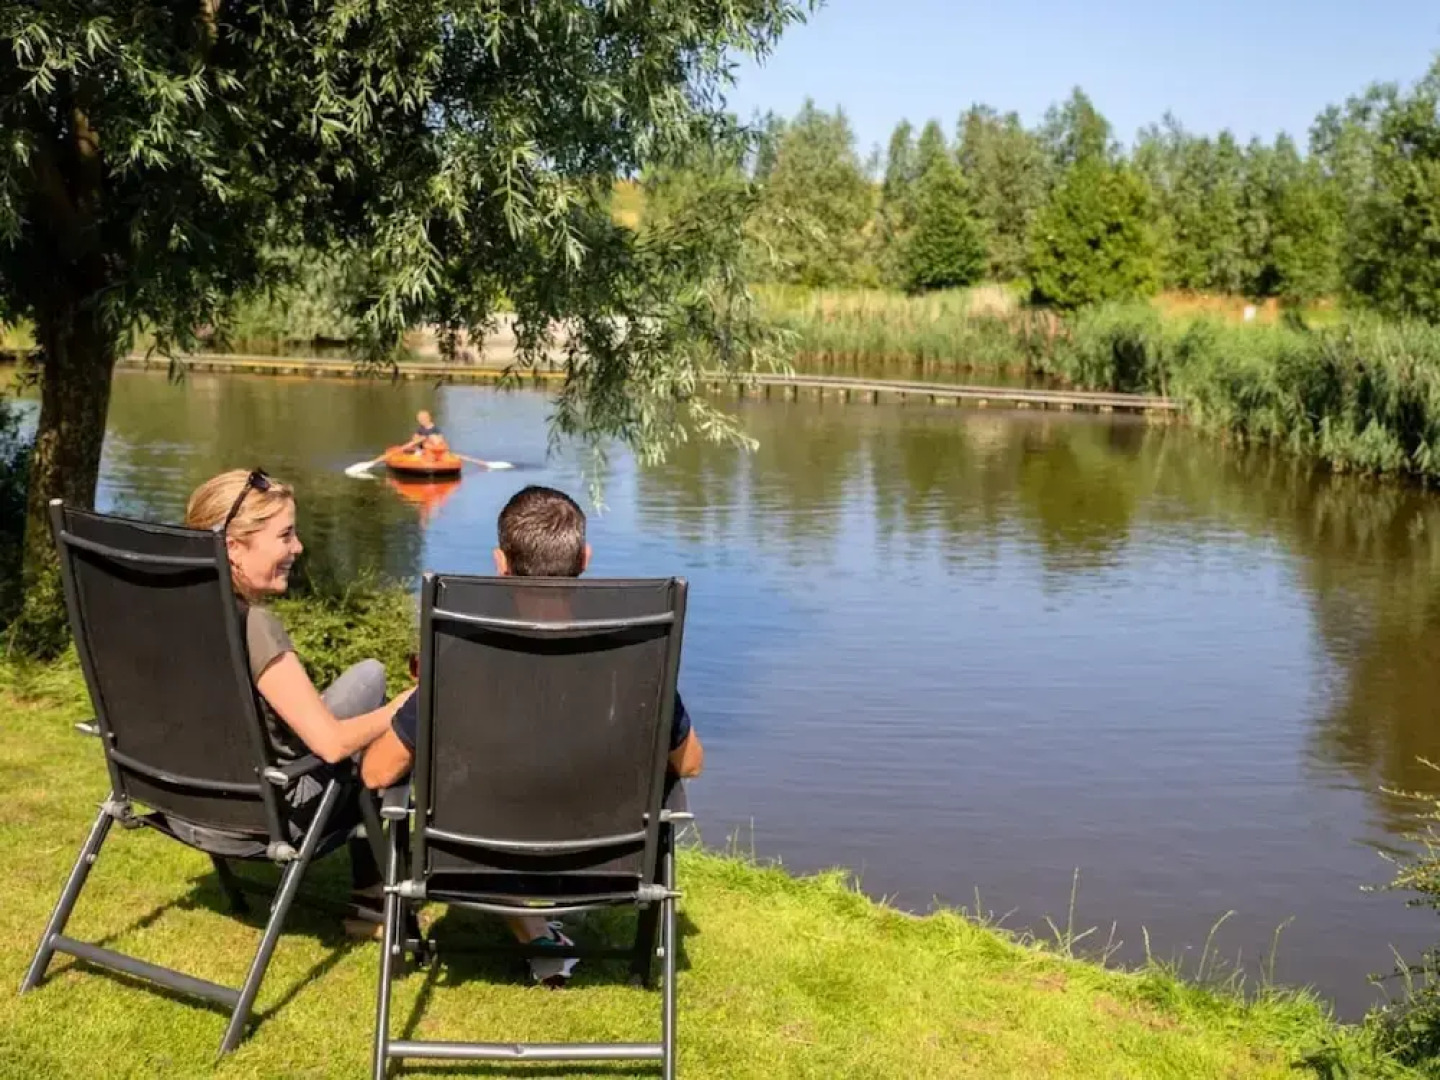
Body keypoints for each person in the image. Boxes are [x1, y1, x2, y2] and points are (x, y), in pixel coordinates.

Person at [361, 484, 704, 984]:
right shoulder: (634, 653)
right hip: (605, 861)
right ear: (585, 558)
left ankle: (515, 922)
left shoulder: (460, 650)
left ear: (501, 563)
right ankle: (550, 932)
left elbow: (377, 771)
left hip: (474, 858)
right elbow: (690, 763)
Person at [185, 469, 414, 936]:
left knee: (368, 674)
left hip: (188, 801)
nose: (299, 548)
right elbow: (330, 746)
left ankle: (371, 898)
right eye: (285, 535)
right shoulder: (253, 626)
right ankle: (371, 902)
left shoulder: (174, 611)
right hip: (271, 811)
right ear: (233, 546)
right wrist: (405, 709)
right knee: (386, 751)